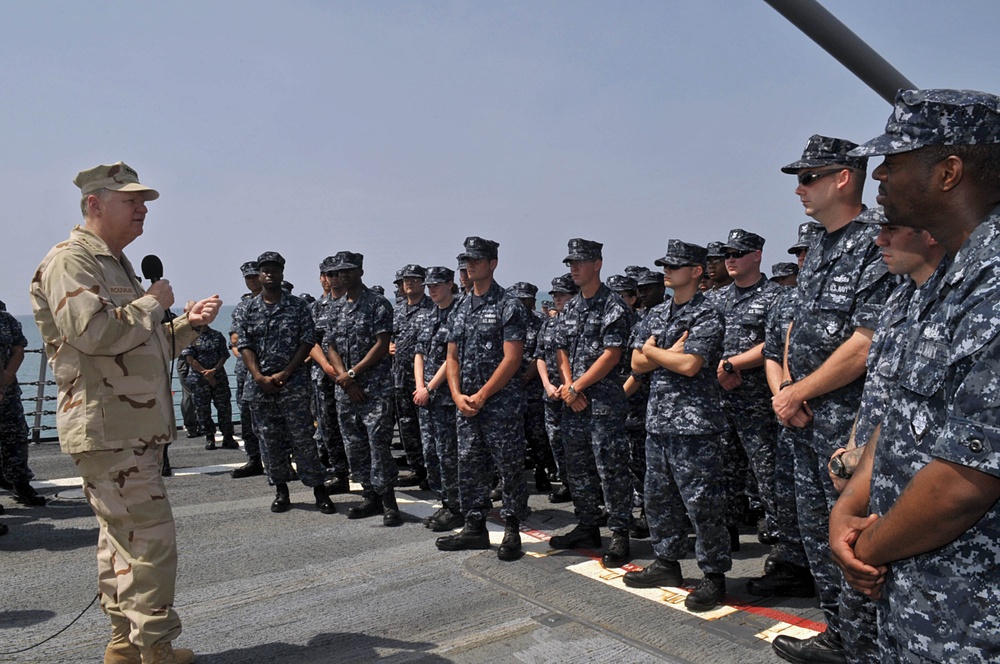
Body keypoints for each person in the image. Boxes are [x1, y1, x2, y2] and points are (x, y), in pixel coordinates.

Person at [830, 89, 1000, 662]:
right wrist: (847, 508)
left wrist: (867, 545)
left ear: (949, 172)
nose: (877, 175)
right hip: (917, 598)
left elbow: (965, 480)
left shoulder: (994, 283)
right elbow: (905, 417)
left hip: (974, 619)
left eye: (896, 161)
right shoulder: (945, 279)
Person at [30, 161, 219, 664]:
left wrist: (186, 326)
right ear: (94, 204)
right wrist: (153, 304)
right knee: (150, 542)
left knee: (123, 541)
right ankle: (154, 650)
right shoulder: (73, 260)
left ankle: (125, 645)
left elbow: (138, 347)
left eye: (144, 202)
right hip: (110, 428)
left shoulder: (115, 264)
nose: (142, 210)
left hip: (126, 427)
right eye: (131, 202)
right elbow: (93, 335)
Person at [768, 135, 894, 664]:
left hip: (849, 427)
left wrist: (798, 389)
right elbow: (797, 323)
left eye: (808, 177)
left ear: (844, 177)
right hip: (803, 418)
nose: (799, 189)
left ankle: (864, 648)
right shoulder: (818, 243)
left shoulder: (876, 240)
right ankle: (838, 637)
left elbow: (867, 342)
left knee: (856, 541)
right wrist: (788, 393)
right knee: (818, 537)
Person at [622, 240, 730, 612]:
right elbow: (636, 364)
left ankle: (714, 575)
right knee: (659, 500)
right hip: (660, 424)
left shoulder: (707, 314)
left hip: (696, 426)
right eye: (665, 265)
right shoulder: (656, 314)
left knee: (702, 506)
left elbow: (691, 365)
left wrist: (653, 352)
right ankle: (666, 562)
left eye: (675, 265)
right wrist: (659, 353)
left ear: (697, 271)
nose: (666, 271)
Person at [436, 236, 529, 561]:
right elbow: (452, 357)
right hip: (466, 405)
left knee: (509, 468)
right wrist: (458, 395)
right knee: (470, 466)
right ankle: (474, 526)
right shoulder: (460, 306)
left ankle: (512, 529)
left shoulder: (508, 305)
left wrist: (481, 394)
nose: (469, 265)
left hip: (500, 406)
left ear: (493, 264)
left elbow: (512, 358)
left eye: (477, 259)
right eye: (466, 260)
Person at [548, 239, 634, 568]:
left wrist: (577, 386)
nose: (573, 267)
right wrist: (570, 386)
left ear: (597, 263)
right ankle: (587, 525)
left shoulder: (613, 307)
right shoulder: (571, 307)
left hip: (603, 405)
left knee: (611, 469)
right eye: (570, 262)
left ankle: (620, 533)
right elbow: (561, 349)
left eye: (580, 261)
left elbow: (612, 355)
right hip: (574, 403)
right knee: (578, 468)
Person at [234, 251, 334, 516]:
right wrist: (258, 376)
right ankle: (281, 491)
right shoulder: (246, 308)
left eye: (274, 269)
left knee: (303, 438)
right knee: (269, 439)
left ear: (281, 273)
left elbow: (307, 340)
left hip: (293, 384)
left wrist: (287, 373)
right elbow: (243, 344)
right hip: (259, 386)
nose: (269, 273)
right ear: (259, 274)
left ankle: (319, 491)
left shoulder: (298, 306)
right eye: (265, 269)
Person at [715, 229, 785, 550]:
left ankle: (782, 545)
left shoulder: (776, 297)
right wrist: (721, 368)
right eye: (727, 254)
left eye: (737, 254)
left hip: (758, 404)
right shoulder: (716, 299)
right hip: (722, 401)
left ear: (757, 255)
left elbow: (776, 344)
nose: (730, 260)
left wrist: (733, 365)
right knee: (723, 472)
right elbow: (702, 338)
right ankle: (726, 534)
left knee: (767, 475)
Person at [323, 251, 401, 526]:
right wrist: (344, 377)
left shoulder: (377, 304)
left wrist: (354, 373)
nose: (343, 275)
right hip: (346, 390)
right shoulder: (335, 307)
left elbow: (382, 344)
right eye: (339, 271)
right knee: (354, 445)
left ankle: (389, 501)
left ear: (360, 272)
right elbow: (329, 346)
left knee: (378, 445)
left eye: (349, 270)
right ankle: (370, 496)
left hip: (374, 389)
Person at [413, 266, 462, 531]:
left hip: (445, 398)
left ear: (450, 284)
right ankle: (445, 501)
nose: (432, 289)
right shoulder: (427, 316)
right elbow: (419, 353)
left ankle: (456, 506)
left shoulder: (458, 314)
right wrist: (420, 386)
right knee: (431, 453)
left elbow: (451, 359)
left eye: (437, 285)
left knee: (448, 454)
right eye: (429, 286)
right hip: (427, 398)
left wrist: (430, 388)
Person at [535, 274, 578, 503]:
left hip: (575, 393)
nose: (558, 298)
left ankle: (585, 486)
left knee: (578, 444)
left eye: (563, 294)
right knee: (556, 439)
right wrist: (547, 384)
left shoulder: (579, 321)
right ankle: (567, 482)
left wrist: (570, 387)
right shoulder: (549, 324)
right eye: (555, 295)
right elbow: (539, 356)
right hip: (551, 392)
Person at [309, 257, 350, 493]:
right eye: (327, 274)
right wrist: (326, 366)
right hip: (325, 377)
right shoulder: (316, 308)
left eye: (336, 274)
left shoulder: (353, 303)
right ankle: (341, 473)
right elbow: (310, 341)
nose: (331, 279)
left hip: (353, 376)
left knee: (355, 428)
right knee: (329, 427)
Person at [0, 305, 47, 508]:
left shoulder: (6, 319)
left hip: (7, 392)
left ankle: (21, 484)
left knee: (17, 437)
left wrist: (6, 378)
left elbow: (19, 349)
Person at [392, 264, 433, 487]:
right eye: (406, 279)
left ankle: (431, 470)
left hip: (425, 378)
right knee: (407, 425)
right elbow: (388, 336)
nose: (409, 283)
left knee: (426, 426)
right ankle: (417, 468)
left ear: (423, 283)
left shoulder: (431, 308)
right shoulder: (397, 310)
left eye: (415, 279)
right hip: (400, 377)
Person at [230, 261, 265, 479]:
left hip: (271, 368)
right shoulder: (243, 306)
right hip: (246, 370)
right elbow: (235, 339)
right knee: (246, 415)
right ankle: (254, 459)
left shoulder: (276, 301)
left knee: (276, 417)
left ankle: (283, 459)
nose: (251, 280)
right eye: (248, 278)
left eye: (254, 276)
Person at [181, 323, 237, 450]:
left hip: (218, 379)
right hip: (199, 380)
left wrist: (214, 371)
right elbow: (189, 359)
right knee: (202, 410)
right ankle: (209, 437)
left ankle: (228, 436)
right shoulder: (190, 337)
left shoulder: (217, 335)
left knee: (224, 408)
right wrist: (206, 374)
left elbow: (224, 355)